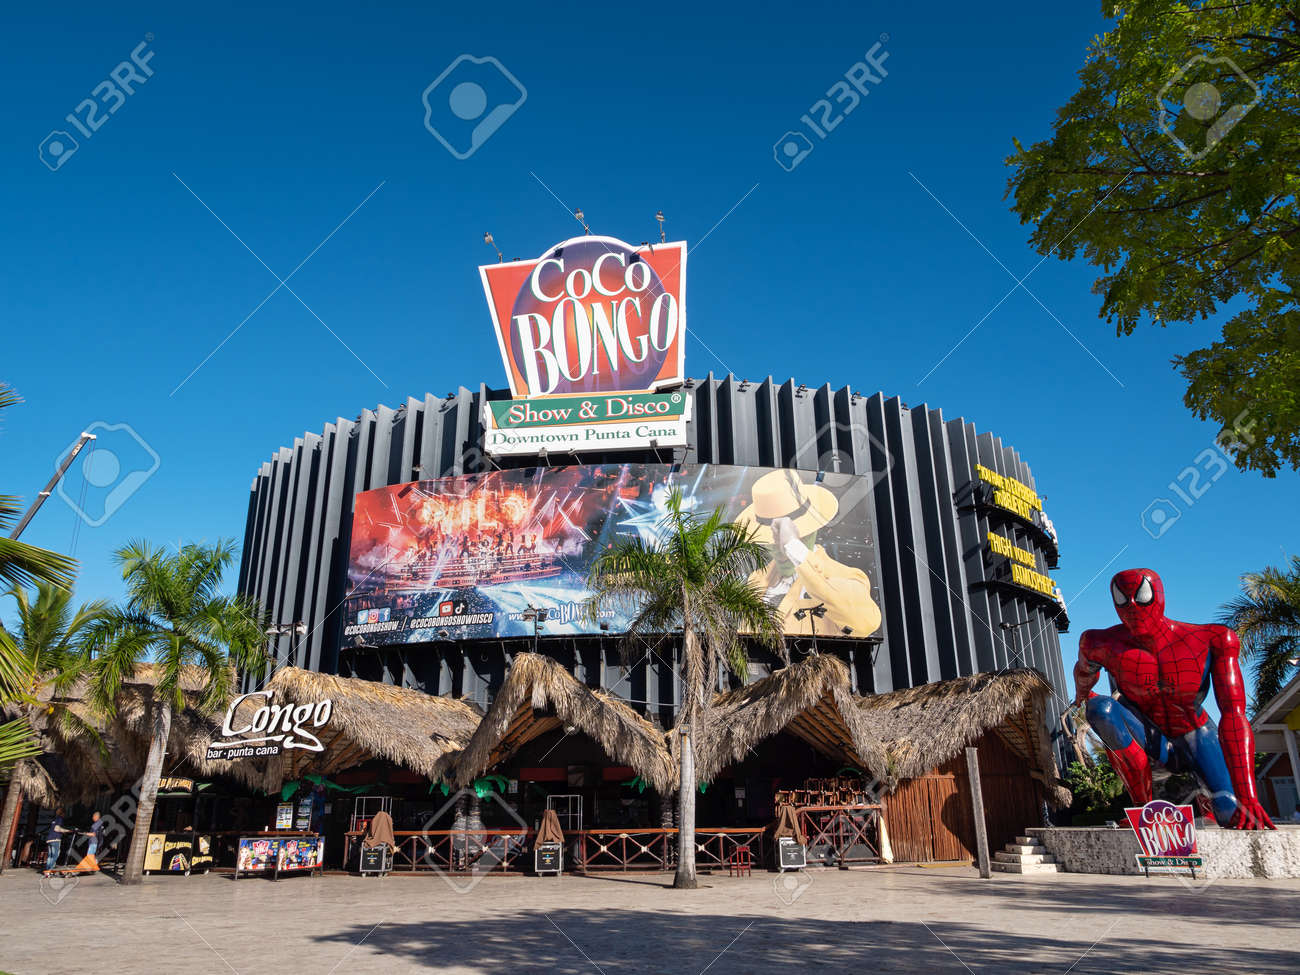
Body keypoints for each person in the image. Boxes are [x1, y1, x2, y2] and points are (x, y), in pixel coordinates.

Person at [1073, 569, 1273, 830]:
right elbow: (1084, 671)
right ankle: (1144, 809)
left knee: (1232, 814)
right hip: (1149, 733)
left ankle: (1210, 801)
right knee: (1101, 707)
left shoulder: (1212, 639)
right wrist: (1082, 694)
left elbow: (1234, 714)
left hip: (1196, 734)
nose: (1132, 606)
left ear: (1159, 596)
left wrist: (1248, 796)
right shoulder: (1100, 642)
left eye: (1141, 596)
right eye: (1122, 599)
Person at [734, 470, 882, 637]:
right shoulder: (756, 580)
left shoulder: (846, 577)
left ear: (813, 531)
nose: (782, 550)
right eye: (772, 541)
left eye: (786, 540)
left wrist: (795, 548)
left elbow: (866, 623)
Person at [43, 807, 71, 875]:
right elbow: (57, 828)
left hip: (49, 839)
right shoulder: (60, 819)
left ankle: (47, 870)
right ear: (63, 813)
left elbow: (54, 828)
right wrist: (66, 831)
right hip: (55, 839)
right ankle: (50, 870)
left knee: (50, 856)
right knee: (55, 855)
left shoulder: (54, 819)